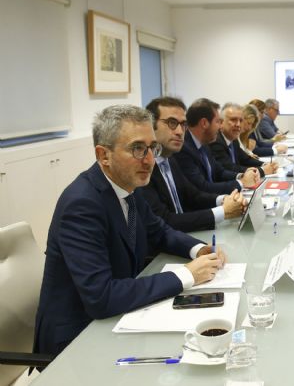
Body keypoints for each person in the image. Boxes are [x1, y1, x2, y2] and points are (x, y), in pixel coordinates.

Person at [34, 105, 226, 357]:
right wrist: (186, 276)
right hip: (76, 340)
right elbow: (101, 297)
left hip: (118, 319)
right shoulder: (81, 204)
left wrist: (199, 248)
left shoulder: (127, 186)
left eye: (151, 148)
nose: (149, 160)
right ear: (104, 155)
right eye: (137, 149)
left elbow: (161, 232)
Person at [141, 97, 246, 232]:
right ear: (151, 125)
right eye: (172, 123)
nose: (180, 131)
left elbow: (193, 195)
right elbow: (165, 220)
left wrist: (224, 200)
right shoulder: (143, 167)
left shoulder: (170, 159)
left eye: (183, 124)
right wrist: (223, 211)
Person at [173, 98, 260, 194]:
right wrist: (241, 183)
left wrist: (241, 176)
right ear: (204, 123)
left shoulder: (204, 143)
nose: (220, 127)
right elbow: (203, 187)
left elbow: (219, 171)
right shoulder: (183, 148)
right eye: (218, 121)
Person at [209, 103, 279, 176]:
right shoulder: (216, 141)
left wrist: (265, 164)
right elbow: (230, 168)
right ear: (221, 122)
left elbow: (245, 159)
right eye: (233, 120)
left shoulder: (233, 139)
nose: (238, 124)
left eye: (240, 120)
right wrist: (262, 170)